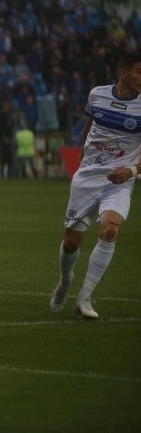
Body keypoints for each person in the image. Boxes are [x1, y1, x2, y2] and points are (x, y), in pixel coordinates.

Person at [50, 52, 141, 320]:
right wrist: (81, 162)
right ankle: (65, 282)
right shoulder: (97, 95)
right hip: (87, 177)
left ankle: (84, 297)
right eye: (139, 71)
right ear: (124, 72)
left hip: (120, 179)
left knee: (110, 230)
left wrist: (133, 170)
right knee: (70, 243)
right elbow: (89, 127)